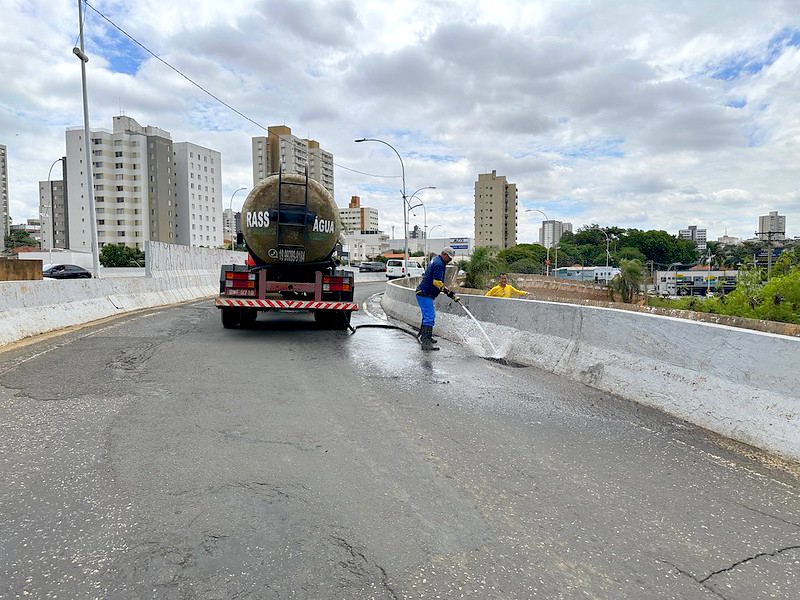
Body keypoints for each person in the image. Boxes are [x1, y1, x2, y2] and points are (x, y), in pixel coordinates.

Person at [415, 246, 459, 351]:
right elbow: (437, 283)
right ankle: (425, 343)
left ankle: (425, 336)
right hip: (424, 293)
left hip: (425, 293)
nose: (450, 260)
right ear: (444, 254)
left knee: (427, 315)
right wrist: (449, 293)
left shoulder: (436, 259)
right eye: (449, 257)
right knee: (429, 317)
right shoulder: (439, 264)